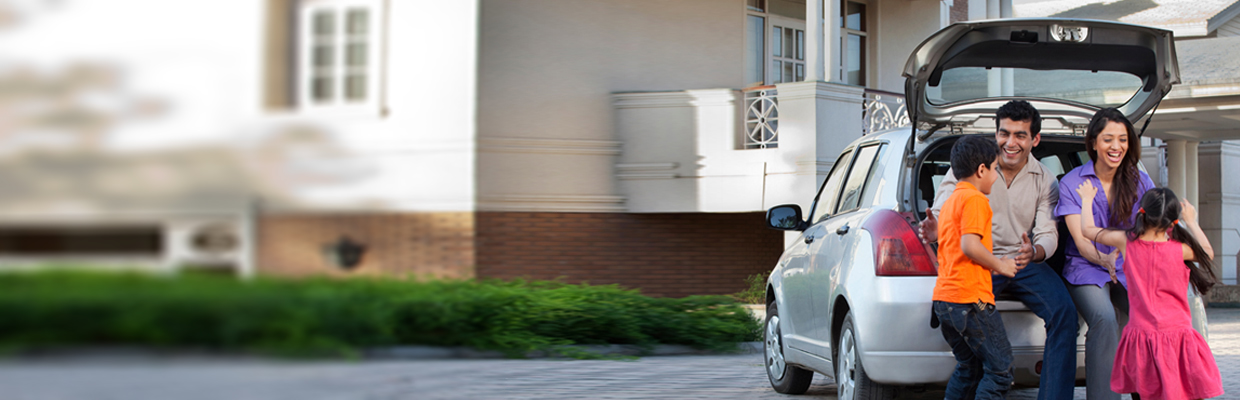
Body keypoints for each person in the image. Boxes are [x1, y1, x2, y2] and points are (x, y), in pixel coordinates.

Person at [921, 100, 1078, 400]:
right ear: (996, 134)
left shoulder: (1044, 179)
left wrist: (1036, 251)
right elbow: (943, 212)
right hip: (980, 261)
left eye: (1020, 135)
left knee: (1064, 312)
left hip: (1022, 260)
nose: (1010, 142)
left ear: (1035, 140)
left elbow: (1048, 232)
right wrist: (934, 229)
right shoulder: (968, 170)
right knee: (977, 346)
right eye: (1004, 133)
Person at [1073, 182, 1223, 400]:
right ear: (1174, 221)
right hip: (1177, 336)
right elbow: (1207, 253)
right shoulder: (1179, 250)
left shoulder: (1126, 242)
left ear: (1141, 212)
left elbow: (1087, 230)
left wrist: (1086, 199)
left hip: (1141, 337)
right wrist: (1192, 221)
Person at [1055, 107, 1155, 400]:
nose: (1116, 147)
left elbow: (1153, 230)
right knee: (1104, 318)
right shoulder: (1072, 183)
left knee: (1147, 316)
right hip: (1085, 267)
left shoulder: (1139, 181)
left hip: (1129, 266)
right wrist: (1103, 259)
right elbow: (1081, 239)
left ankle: (1148, 392)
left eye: (1123, 140)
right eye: (1109, 139)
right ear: (1094, 142)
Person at [932, 135, 1020, 400]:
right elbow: (970, 245)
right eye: (995, 168)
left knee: (969, 368)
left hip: (945, 302)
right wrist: (1001, 265)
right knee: (1000, 370)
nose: (996, 176)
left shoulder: (950, 203)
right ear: (981, 170)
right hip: (971, 301)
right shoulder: (976, 200)